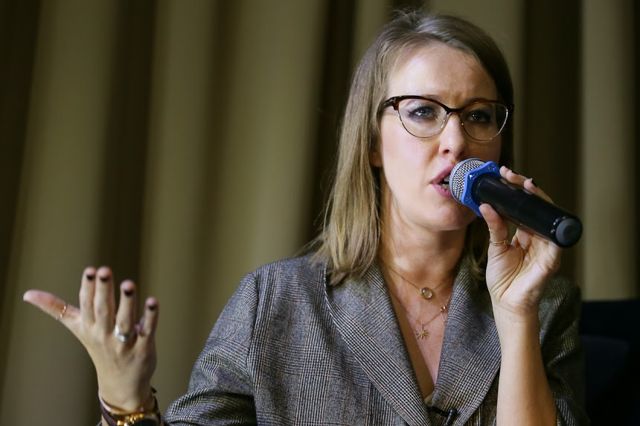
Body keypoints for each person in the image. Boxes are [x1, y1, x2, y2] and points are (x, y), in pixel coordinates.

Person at [23, 10, 587, 425]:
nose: (456, 141)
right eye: (423, 112)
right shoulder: (274, 302)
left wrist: (516, 315)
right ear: (372, 142)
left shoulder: (544, 307)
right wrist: (125, 402)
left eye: (479, 116)